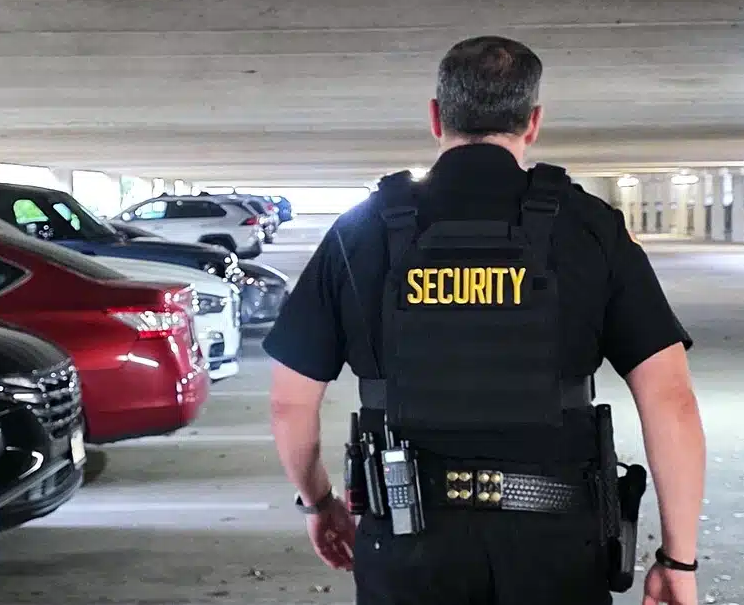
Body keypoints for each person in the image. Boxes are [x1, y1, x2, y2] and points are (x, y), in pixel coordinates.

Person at [265, 36, 706, 605]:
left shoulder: (362, 231)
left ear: (435, 117)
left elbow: (288, 402)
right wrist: (678, 559)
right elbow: (671, 399)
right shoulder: (591, 227)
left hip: (405, 540)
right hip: (557, 546)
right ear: (533, 122)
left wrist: (320, 503)